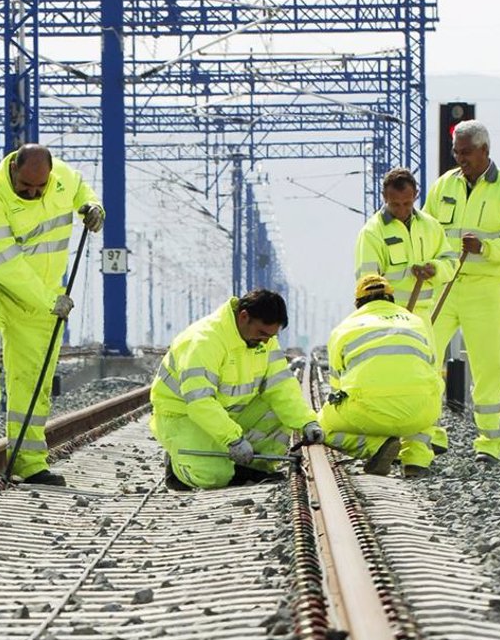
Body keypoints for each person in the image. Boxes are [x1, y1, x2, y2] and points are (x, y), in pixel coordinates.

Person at [0, 143, 104, 486]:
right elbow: (4, 265)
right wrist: (49, 298)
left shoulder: (61, 178)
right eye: (26, 188)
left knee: (34, 375)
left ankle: (29, 460)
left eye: (40, 187)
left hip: (42, 293)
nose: (34, 193)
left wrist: (93, 207)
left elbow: (81, 188)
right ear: (13, 171)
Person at [423, 121, 500, 461]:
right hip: (444, 286)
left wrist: (485, 248)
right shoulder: (443, 186)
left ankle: (488, 442)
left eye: (466, 152)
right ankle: (428, 431)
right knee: (424, 355)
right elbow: (425, 229)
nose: (460, 158)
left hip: (486, 289)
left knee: (489, 365)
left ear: (485, 150)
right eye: (456, 151)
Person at [150, 289, 321, 490]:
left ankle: (250, 468)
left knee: (278, 412)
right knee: (212, 476)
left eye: (271, 336)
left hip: (228, 414)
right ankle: (176, 467)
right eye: (262, 334)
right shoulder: (204, 341)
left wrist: (307, 422)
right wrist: (233, 439)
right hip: (184, 416)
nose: (266, 341)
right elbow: (200, 403)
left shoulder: (262, 340)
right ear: (243, 317)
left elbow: (281, 387)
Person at [316, 275, 442, 477]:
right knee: (427, 393)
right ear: (391, 299)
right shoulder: (417, 322)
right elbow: (432, 368)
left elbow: (336, 386)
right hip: (421, 412)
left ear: (358, 303)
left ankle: (376, 446)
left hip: (369, 412)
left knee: (321, 425)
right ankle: (415, 461)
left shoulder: (344, 328)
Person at [355, 167, 446, 323]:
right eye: (395, 204)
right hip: (388, 317)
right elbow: (368, 280)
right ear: (384, 197)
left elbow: (450, 260)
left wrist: (435, 269)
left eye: (407, 203)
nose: (402, 210)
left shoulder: (431, 226)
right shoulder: (372, 232)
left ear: (416, 195)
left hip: (423, 317)